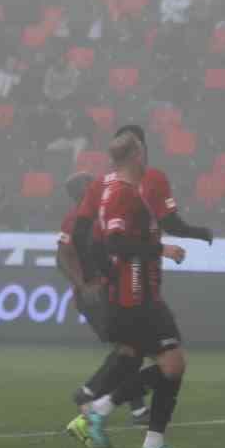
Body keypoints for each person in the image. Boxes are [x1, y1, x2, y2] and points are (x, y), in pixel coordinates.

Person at [64, 130, 193, 448]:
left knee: (134, 358)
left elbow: (95, 242)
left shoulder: (115, 191)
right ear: (138, 154)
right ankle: (101, 411)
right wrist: (160, 248)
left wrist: (101, 275)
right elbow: (107, 243)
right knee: (170, 363)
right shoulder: (122, 193)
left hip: (130, 293)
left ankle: (125, 425)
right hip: (137, 296)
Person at [57, 172, 148, 425]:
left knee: (128, 350)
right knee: (128, 349)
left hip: (111, 292)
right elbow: (62, 257)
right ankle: (90, 396)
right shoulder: (75, 220)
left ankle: (132, 409)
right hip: (97, 296)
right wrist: (83, 286)